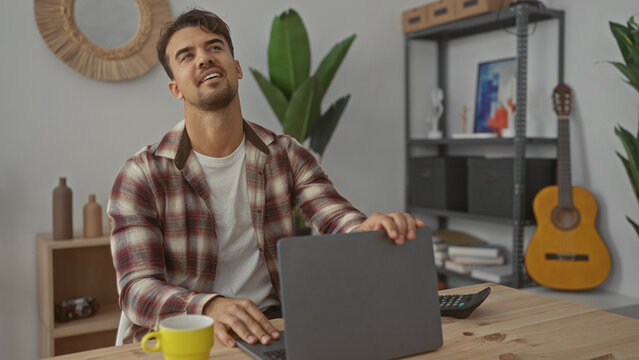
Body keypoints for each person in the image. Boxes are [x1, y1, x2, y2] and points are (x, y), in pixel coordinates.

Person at [108, 8, 424, 348]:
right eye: (187, 56)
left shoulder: (286, 154)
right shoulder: (141, 174)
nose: (204, 59)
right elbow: (136, 290)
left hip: (271, 330)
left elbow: (334, 215)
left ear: (236, 68)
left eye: (215, 47)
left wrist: (364, 231)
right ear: (175, 88)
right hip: (188, 337)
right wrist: (209, 306)